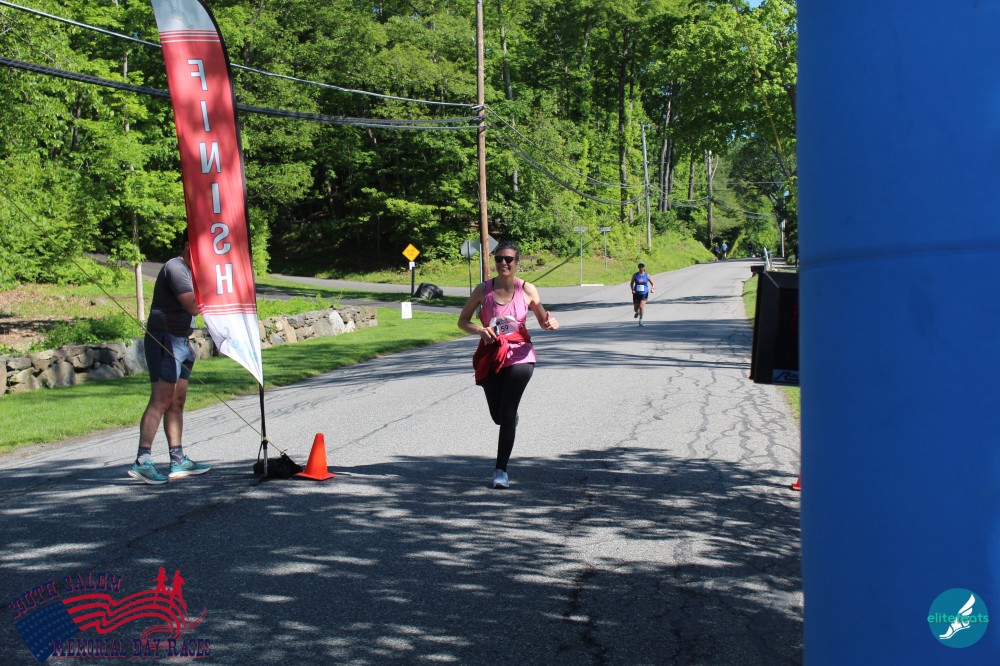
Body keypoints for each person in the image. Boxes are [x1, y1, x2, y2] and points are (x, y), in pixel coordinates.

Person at [457, 241, 559, 489]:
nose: (504, 263)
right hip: (491, 354)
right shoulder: (483, 290)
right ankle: (510, 418)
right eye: (499, 258)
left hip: (520, 354)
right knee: (499, 417)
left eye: (509, 259)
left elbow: (543, 319)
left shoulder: (527, 289)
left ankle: (500, 471)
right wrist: (479, 330)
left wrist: (549, 323)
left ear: (517, 263)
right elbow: (462, 321)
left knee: (508, 411)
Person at [128, 231, 211, 485]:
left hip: (180, 341)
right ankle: (142, 461)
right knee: (161, 399)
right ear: (188, 245)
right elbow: (193, 306)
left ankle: (178, 459)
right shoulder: (176, 268)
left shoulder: (192, 271)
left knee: (177, 401)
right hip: (164, 340)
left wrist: (187, 341)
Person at [630, 262, 655, 326]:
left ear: (644, 267)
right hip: (636, 293)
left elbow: (652, 283)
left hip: (644, 293)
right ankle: (637, 312)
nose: (641, 267)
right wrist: (632, 289)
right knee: (635, 309)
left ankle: (641, 320)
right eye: (640, 266)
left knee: (641, 307)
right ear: (638, 267)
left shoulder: (647, 275)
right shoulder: (635, 275)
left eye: (642, 266)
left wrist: (652, 288)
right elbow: (631, 283)